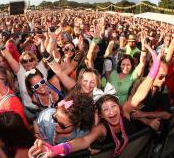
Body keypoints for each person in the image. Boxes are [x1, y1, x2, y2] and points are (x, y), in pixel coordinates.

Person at [28, 44, 161, 158]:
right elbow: (60, 73)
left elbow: (139, 96)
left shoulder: (104, 101)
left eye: (92, 82)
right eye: (85, 81)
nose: (88, 85)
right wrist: (46, 53)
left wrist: (155, 68)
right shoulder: (98, 125)